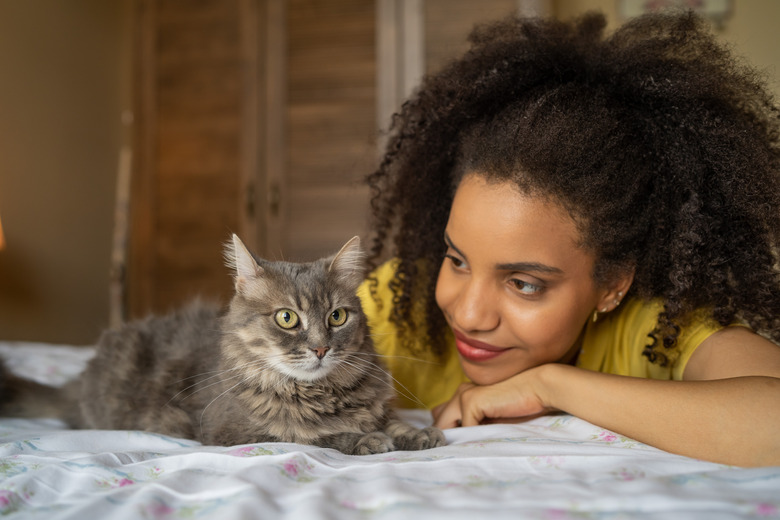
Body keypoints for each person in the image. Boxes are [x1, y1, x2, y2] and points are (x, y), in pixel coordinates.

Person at [356, 10, 780, 467]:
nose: (469, 314)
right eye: (456, 260)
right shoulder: (390, 311)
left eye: (524, 283)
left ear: (613, 284)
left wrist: (549, 387)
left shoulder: (658, 330)